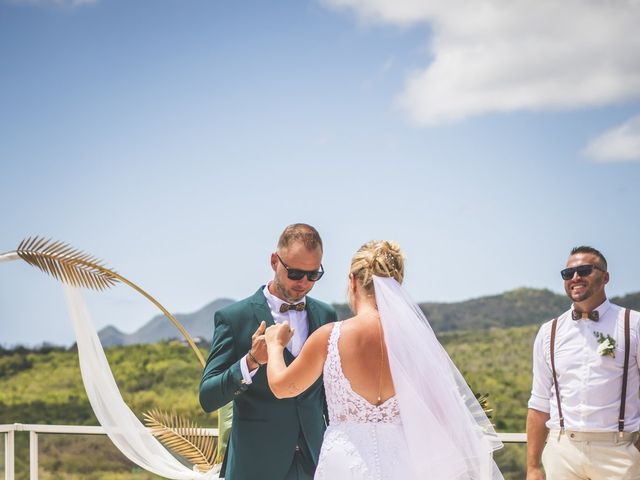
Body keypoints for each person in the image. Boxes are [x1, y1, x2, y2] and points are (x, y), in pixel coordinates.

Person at [265, 240, 504, 479]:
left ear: (353, 280)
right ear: (396, 284)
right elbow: (445, 418)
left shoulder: (330, 337)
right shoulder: (415, 343)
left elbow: (282, 387)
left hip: (344, 465)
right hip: (402, 466)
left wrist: (275, 346)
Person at [199, 223, 338, 480]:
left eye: (313, 275)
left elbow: (330, 394)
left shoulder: (326, 316)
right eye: (295, 273)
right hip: (255, 465)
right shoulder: (235, 318)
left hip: (315, 465)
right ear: (275, 261)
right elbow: (208, 397)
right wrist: (250, 361)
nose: (304, 283)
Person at [527, 246, 640, 480]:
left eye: (585, 270)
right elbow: (538, 403)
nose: (575, 278)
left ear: (605, 277)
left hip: (620, 452)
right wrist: (533, 466)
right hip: (562, 452)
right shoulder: (549, 331)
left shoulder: (633, 324)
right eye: (568, 273)